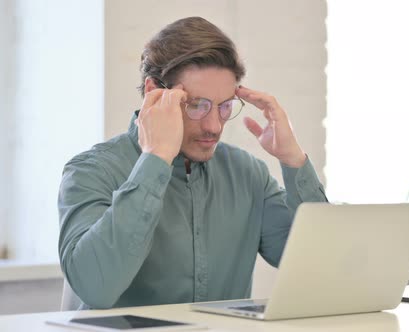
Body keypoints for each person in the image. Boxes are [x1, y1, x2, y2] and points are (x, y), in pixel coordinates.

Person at [58, 16, 328, 310]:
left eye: (224, 107)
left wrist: (293, 160)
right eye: (197, 105)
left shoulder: (248, 174)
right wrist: (156, 159)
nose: (214, 126)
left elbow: (319, 268)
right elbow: (95, 287)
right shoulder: (91, 171)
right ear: (153, 92)